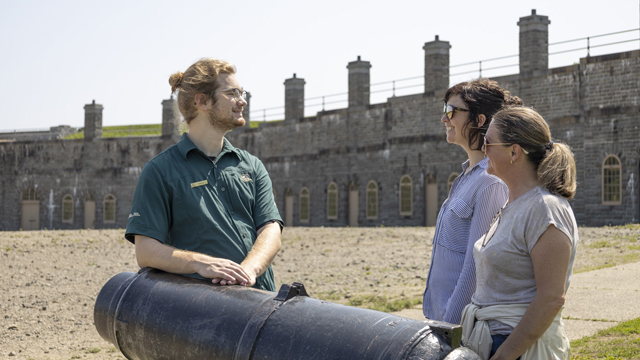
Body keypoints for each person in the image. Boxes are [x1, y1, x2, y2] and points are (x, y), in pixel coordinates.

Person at [125, 58, 283, 291]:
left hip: (262, 302)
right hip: (202, 310)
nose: (243, 101)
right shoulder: (159, 171)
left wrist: (249, 269)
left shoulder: (251, 165)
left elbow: (271, 230)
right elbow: (146, 251)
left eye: (243, 92)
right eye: (233, 93)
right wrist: (202, 263)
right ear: (202, 101)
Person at [460, 106, 578, 359]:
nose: (483, 149)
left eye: (488, 142)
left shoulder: (545, 209)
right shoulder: (513, 205)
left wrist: (503, 356)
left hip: (519, 349)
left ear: (514, 151)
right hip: (494, 342)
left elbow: (551, 298)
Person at [423, 79, 521, 324]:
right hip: (440, 318)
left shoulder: (490, 182)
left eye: (451, 111)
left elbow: (476, 266)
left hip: (458, 325)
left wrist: (451, 325)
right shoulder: (469, 175)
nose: (444, 118)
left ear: (480, 120)